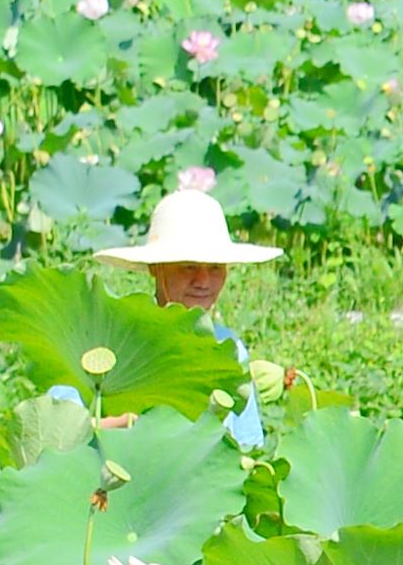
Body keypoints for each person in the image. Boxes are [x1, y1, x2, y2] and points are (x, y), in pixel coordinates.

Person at [97, 184, 277, 446]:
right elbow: (62, 436)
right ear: (156, 268)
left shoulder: (228, 347)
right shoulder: (108, 341)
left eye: (215, 267)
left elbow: (248, 446)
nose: (203, 281)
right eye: (188, 266)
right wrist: (128, 421)